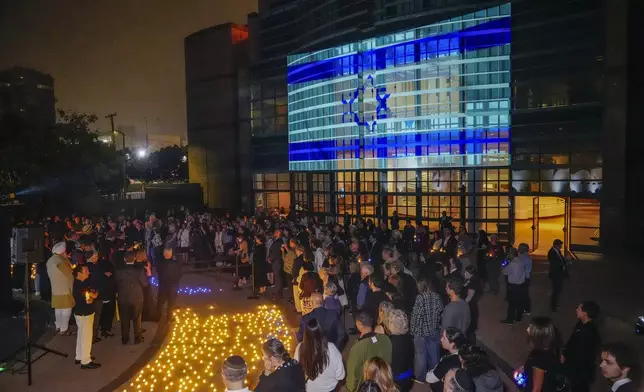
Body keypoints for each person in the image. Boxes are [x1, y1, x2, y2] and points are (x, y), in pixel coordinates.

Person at [294, 318, 346, 392]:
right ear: (322, 332)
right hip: (329, 389)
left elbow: (296, 372)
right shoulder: (332, 348)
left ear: (305, 333)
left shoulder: (300, 348)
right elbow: (341, 376)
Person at [346, 312, 393, 392]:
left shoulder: (358, 347)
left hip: (367, 387)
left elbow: (353, 374)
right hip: (384, 383)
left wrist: (350, 389)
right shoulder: (386, 339)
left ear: (359, 324)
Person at [562, 301, 602, 392]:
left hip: (580, 371)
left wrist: (566, 359)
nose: (576, 310)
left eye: (579, 309)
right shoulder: (582, 324)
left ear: (585, 313)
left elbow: (580, 354)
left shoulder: (587, 333)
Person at [516, 317, 562, 392]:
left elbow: (537, 389)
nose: (527, 329)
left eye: (530, 328)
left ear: (539, 334)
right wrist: (523, 368)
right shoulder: (550, 347)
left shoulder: (539, 359)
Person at [411, 276, 444, 380]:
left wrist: (412, 331)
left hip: (420, 332)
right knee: (434, 356)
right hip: (434, 330)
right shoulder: (436, 296)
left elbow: (416, 316)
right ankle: (434, 376)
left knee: (420, 356)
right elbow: (440, 311)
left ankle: (420, 378)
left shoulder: (420, 298)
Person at [115, 250, 148, 345]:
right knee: (137, 318)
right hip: (136, 297)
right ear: (134, 259)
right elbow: (145, 284)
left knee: (124, 318)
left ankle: (125, 338)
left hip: (123, 297)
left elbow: (115, 283)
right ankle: (137, 338)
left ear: (125, 259)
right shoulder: (138, 270)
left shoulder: (119, 271)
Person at [72, 264, 101, 369]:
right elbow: (90, 298)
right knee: (86, 336)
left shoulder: (82, 283)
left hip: (81, 312)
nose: (88, 272)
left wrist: (93, 296)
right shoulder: (79, 285)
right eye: (85, 271)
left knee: (81, 335)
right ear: (79, 274)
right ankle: (85, 361)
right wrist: (93, 296)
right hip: (85, 313)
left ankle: (79, 356)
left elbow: (93, 294)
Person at [426, 327, 468, 392]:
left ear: (452, 344)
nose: (441, 339)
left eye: (444, 338)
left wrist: (433, 371)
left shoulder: (447, 362)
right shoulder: (465, 353)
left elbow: (429, 378)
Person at [47, 242, 75, 336]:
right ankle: (64, 329)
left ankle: (58, 326)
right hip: (65, 289)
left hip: (55, 289)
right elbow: (69, 275)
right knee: (66, 309)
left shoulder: (50, 260)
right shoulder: (61, 261)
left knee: (58, 309)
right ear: (63, 252)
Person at [386, 309, 414, 392]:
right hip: (408, 377)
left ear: (393, 325)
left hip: (396, 381)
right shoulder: (409, 338)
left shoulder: (391, 342)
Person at [501, 247, 526, 325]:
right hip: (521, 285)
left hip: (514, 285)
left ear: (511, 254)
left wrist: (504, 264)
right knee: (519, 302)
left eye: (508, 254)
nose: (508, 255)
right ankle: (518, 318)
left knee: (512, 303)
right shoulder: (520, 261)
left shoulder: (512, 263)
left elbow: (504, 272)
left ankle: (510, 319)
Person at [462, 265, 482, 343]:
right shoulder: (471, 280)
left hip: (470, 307)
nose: (464, 274)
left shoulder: (472, 284)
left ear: (471, 274)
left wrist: (462, 306)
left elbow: (469, 298)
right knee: (470, 328)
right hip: (472, 306)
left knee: (470, 329)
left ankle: (471, 346)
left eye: (466, 273)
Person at [548, 239, 568, 312]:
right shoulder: (552, 253)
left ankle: (554, 304)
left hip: (559, 274)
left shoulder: (557, 251)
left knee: (557, 290)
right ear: (555, 245)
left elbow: (561, 260)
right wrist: (563, 263)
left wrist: (564, 261)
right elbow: (555, 264)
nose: (561, 246)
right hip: (556, 275)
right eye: (560, 245)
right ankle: (553, 306)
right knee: (556, 291)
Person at [268, 229, 285, 300]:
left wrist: (271, 258)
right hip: (276, 260)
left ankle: (278, 293)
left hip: (277, 261)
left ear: (279, 233)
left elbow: (276, 252)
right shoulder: (277, 241)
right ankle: (278, 292)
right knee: (277, 277)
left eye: (276, 232)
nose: (274, 233)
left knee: (277, 277)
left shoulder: (278, 242)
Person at [517, 243, 532, 315]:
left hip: (523, 278)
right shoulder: (527, 257)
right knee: (524, 294)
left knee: (523, 295)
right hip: (526, 278)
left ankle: (525, 309)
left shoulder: (523, 258)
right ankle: (526, 309)